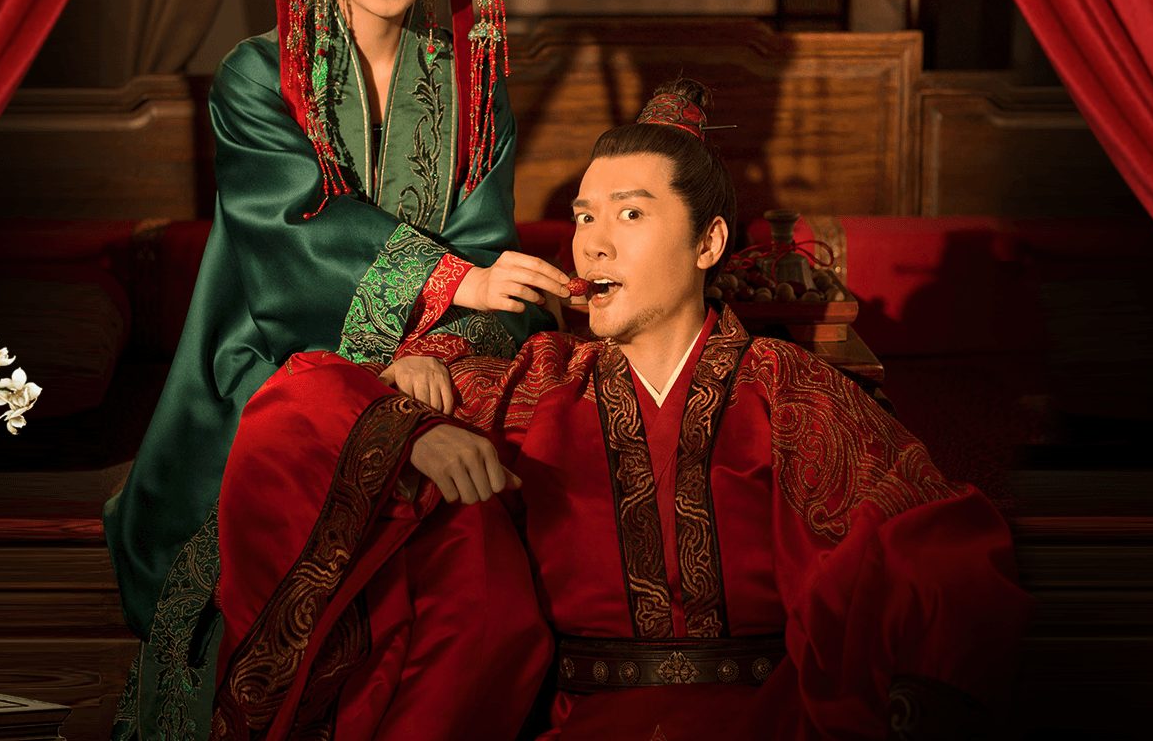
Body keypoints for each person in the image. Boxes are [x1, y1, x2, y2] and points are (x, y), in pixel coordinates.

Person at [211, 79, 1032, 741]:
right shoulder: (541, 384)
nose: (593, 243)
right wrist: (407, 427)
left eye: (630, 214)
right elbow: (300, 405)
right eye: (584, 217)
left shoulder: (787, 389)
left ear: (708, 243)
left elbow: (928, 540)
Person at [105, 0, 566, 735]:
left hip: (431, 377)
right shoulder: (257, 80)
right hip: (267, 372)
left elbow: (491, 260)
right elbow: (290, 247)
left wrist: (436, 347)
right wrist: (449, 286)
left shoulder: (472, 87)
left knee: (481, 591)